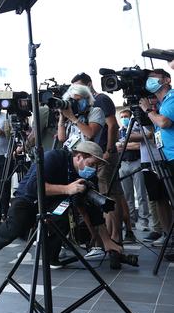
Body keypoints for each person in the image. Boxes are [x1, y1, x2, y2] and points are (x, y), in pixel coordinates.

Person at [0, 141, 123, 267]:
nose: (93, 169)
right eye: (91, 164)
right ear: (79, 157)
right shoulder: (53, 157)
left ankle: (51, 256)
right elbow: (34, 187)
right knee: (16, 226)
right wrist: (67, 189)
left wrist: (106, 241)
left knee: (65, 213)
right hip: (27, 199)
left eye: (96, 166)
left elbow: (93, 209)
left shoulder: (86, 176)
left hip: (52, 203)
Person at [71, 73, 132, 246]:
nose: (77, 91)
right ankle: (112, 236)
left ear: (89, 84)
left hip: (103, 154)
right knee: (109, 194)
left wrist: (109, 150)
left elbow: (113, 125)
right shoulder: (85, 105)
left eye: (80, 86)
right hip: (93, 154)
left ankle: (114, 239)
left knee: (108, 195)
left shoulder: (101, 99)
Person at [139, 68, 174, 246]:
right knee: (163, 197)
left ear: (166, 80)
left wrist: (146, 110)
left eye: (155, 78)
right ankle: (170, 236)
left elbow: (164, 122)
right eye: (149, 79)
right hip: (166, 157)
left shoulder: (172, 98)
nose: (150, 81)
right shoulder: (160, 106)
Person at [116, 109, 149, 235]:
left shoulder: (135, 129)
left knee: (141, 194)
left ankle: (144, 221)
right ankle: (130, 220)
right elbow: (116, 147)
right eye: (122, 116)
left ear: (130, 117)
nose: (124, 118)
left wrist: (123, 145)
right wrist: (123, 145)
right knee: (127, 195)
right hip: (123, 165)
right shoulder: (119, 132)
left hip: (137, 162)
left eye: (126, 116)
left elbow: (138, 146)